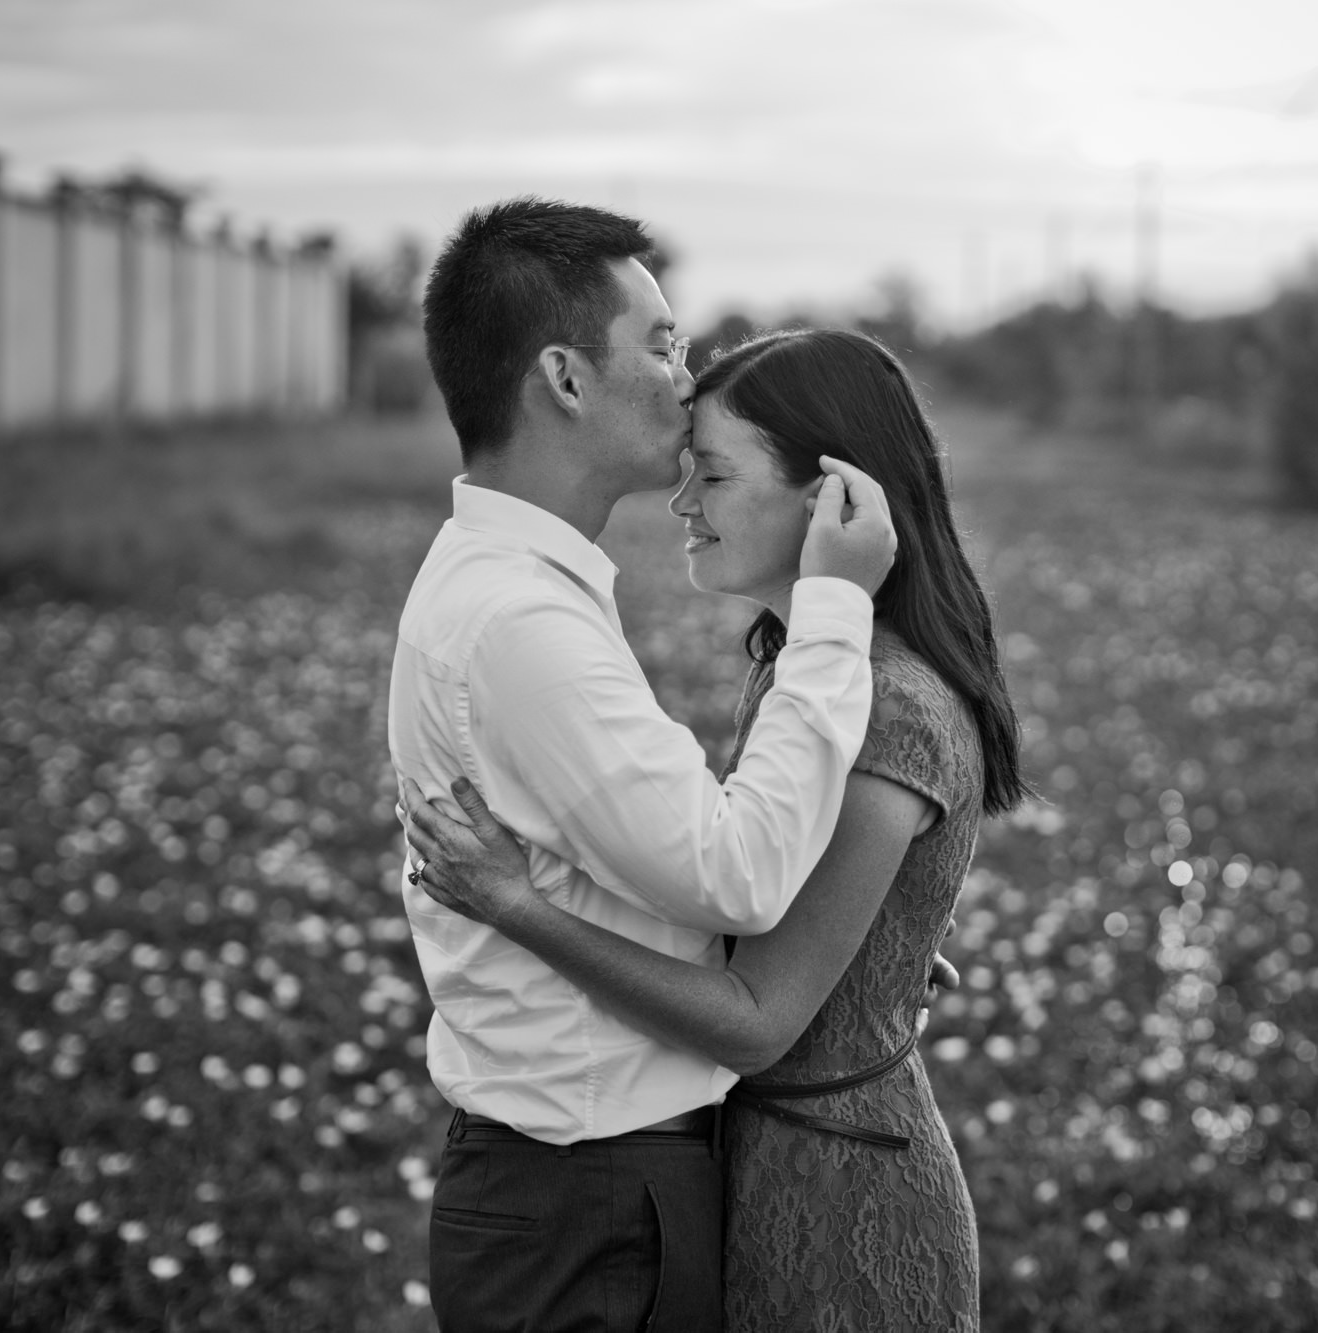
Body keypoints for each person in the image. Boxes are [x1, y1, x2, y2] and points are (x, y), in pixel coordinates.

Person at [401, 327, 1028, 1331]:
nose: (682, 504)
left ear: (831, 499)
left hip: (839, 1195)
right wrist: (872, 953)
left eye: (715, 477)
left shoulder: (889, 703)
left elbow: (756, 1019)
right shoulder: (807, 671)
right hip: (759, 1157)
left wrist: (514, 904)